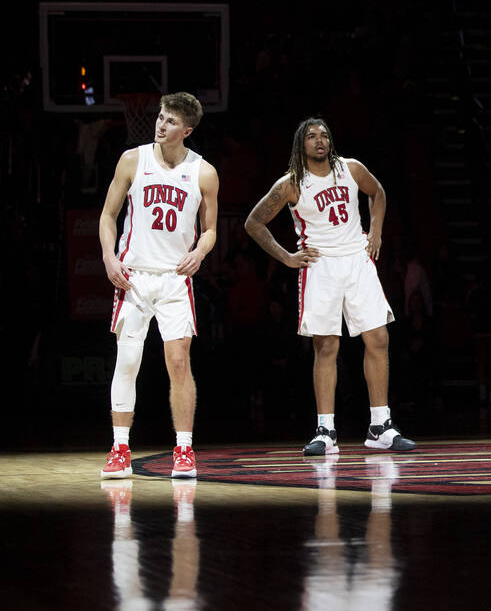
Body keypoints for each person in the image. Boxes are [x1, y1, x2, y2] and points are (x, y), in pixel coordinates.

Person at [245, 117, 416, 456]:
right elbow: (254, 222)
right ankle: (326, 430)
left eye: (324, 134)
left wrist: (377, 231)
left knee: (378, 337)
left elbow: (377, 193)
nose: (319, 140)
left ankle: (380, 425)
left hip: (357, 258)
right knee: (326, 347)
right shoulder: (291, 183)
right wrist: (287, 257)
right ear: (301, 144)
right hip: (320, 265)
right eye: (311, 136)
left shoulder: (350, 168)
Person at [99, 92, 219, 479]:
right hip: (133, 276)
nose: (160, 124)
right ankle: (119, 448)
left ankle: (184, 450)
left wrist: (200, 252)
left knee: (180, 363)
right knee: (128, 360)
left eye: (170, 121)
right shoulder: (133, 160)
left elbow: (212, 229)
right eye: (160, 117)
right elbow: (107, 215)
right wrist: (108, 257)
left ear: (187, 129)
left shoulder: (204, 172)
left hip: (174, 279)